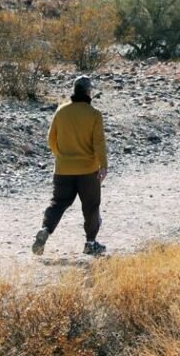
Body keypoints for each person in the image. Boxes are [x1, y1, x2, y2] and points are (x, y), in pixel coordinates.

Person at [32, 75, 108, 257]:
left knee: (58, 202)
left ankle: (46, 229)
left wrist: (60, 156)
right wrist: (103, 165)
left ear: (74, 90)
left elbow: (51, 138)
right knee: (91, 206)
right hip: (88, 170)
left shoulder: (61, 111)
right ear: (89, 92)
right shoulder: (94, 114)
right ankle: (90, 243)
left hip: (63, 169)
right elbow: (98, 143)